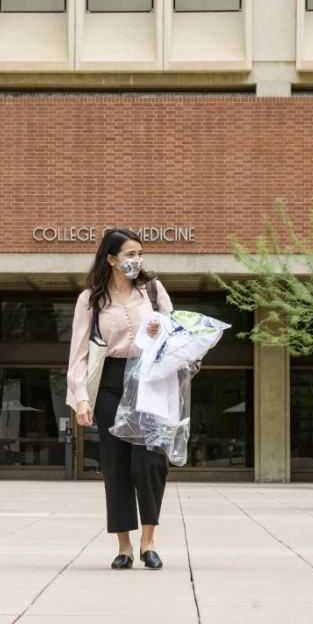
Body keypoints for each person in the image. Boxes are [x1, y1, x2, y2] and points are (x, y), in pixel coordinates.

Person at [68, 228, 173, 570]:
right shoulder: (91, 299)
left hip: (149, 381)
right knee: (116, 466)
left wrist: (160, 331)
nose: (136, 260)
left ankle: (149, 541)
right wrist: (81, 397)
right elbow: (80, 352)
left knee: (151, 462)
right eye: (129, 254)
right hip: (111, 382)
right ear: (112, 259)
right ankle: (125, 546)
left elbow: (175, 339)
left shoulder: (154, 291)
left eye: (139, 253)